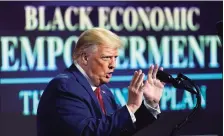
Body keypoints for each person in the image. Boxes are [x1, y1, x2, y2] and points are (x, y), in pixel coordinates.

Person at [37, 28, 165, 136]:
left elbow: (118, 128)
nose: (113, 65)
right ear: (85, 57)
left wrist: (149, 104)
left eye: (115, 58)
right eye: (106, 57)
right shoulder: (65, 87)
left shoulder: (104, 91)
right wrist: (130, 107)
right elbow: (88, 132)